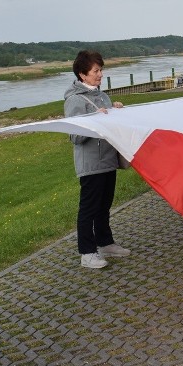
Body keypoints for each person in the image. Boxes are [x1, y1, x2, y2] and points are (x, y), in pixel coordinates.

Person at [63, 50, 129, 269]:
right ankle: (87, 252)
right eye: (96, 71)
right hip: (91, 164)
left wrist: (115, 112)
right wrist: (95, 119)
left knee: (104, 205)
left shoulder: (102, 95)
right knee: (89, 208)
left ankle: (105, 242)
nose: (100, 74)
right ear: (83, 74)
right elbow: (75, 136)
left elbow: (110, 124)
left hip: (108, 160)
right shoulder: (74, 100)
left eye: (101, 70)